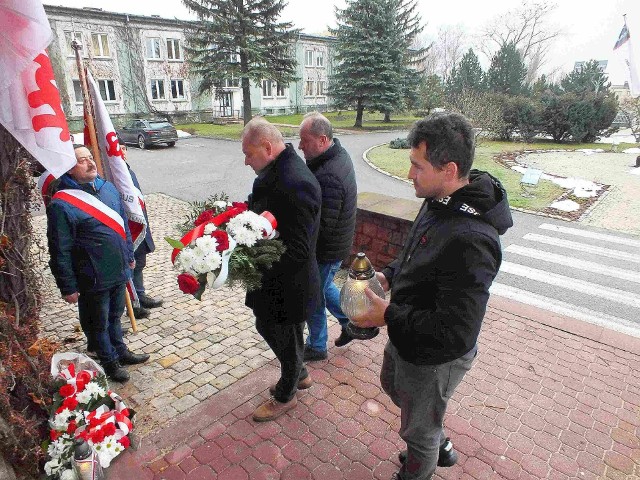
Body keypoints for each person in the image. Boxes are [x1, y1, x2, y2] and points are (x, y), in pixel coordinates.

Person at [352, 112, 513, 479]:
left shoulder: (473, 239)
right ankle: (434, 435)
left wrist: (387, 316)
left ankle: (423, 460)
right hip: (409, 333)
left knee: (417, 431)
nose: (410, 174)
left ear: (449, 169)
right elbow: (414, 249)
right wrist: (389, 275)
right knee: (393, 385)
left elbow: (457, 331)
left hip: (436, 356)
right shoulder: (439, 199)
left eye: (417, 166)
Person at [47, 145, 150, 383]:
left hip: (119, 269)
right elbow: (59, 250)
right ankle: (109, 362)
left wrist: (129, 256)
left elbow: (123, 226)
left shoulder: (108, 189)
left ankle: (121, 352)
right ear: (68, 169)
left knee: (116, 315)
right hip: (92, 277)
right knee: (98, 323)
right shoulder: (61, 204)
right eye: (82, 161)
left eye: (90, 158)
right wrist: (67, 286)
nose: (90, 163)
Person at [242, 117, 322, 422]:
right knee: (275, 329)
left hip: (289, 281)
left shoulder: (296, 181)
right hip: (273, 279)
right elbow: (260, 208)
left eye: (249, 154)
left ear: (267, 147)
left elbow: (300, 248)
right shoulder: (273, 172)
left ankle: (287, 393)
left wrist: (253, 257)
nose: (246, 161)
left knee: (282, 333)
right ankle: (300, 373)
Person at [297, 112, 358, 362]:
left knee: (313, 295)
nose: (300, 146)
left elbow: (323, 226)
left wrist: (305, 252)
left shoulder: (329, 175)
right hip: (336, 246)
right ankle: (350, 322)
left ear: (322, 140)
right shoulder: (336, 156)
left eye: (305, 140)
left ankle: (317, 345)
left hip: (327, 249)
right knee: (324, 287)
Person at [120, 144, 163, 319]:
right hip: (126, 228)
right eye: (117, 148)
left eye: (123, 148)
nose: (122, 152)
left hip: (138, 225)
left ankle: (140, 294)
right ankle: (133, 303)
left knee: (139, 262)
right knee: (129, 266)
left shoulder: (127, 169)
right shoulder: (112, 172)